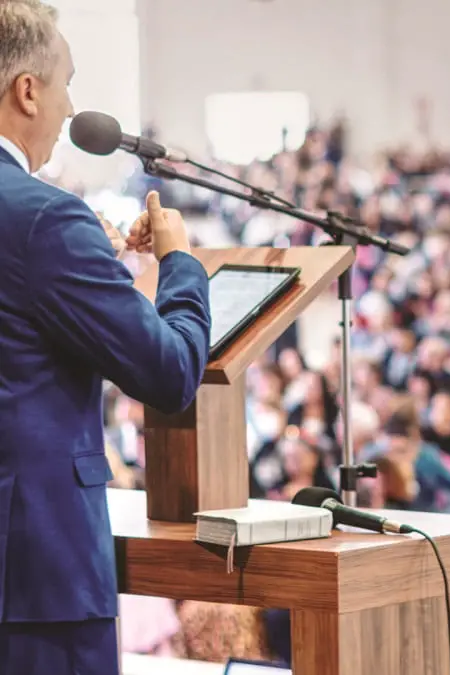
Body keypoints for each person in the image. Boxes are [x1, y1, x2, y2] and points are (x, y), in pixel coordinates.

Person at [0, 3, 211, 674]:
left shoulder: (50, 228)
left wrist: (92, 261)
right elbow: (171, 372)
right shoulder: (46, 219)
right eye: (64, 83)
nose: (68, 109)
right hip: (36, 578)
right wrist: (178, 264)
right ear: (26, 90)